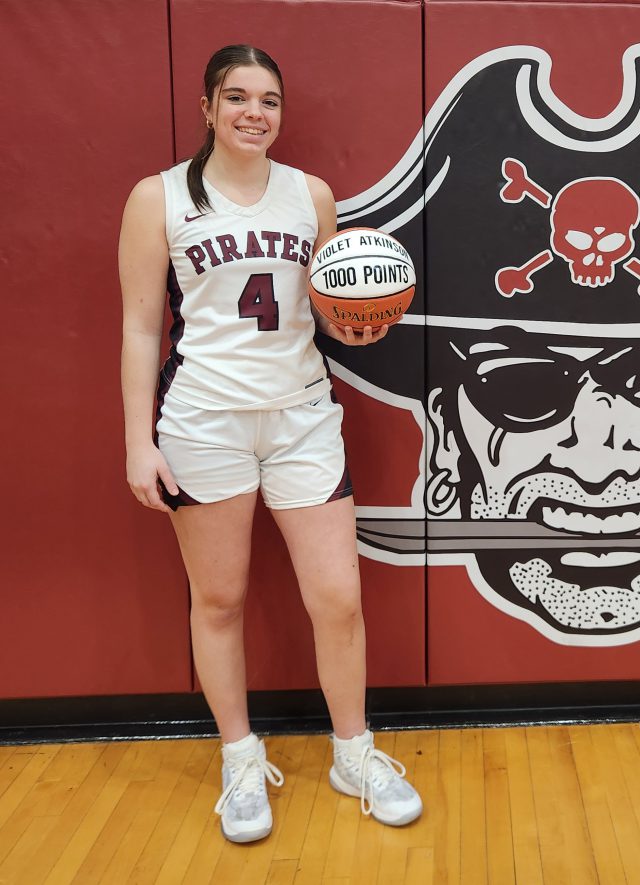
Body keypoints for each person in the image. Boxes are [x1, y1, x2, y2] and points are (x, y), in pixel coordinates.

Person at [118, 44, 422, 843]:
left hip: (301, 417)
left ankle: (353, 751)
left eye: (270, 100)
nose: (256, 113)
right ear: (209, 107)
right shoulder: (158, 199)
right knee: (218, 601)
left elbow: (322, 307)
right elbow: (141, 324)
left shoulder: (310, 195)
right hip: (203, 423)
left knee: (339, 597)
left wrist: (356, 321)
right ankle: (240, 756)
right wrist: (136, 441)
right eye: (239, 97)